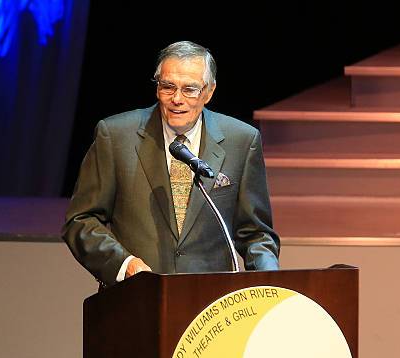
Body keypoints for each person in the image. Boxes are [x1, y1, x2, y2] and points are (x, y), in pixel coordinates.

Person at [62, 41, 280, 286]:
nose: (177, 99)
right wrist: (124, 264)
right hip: (136, 297)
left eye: (189, 89)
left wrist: (271, 283)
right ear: (157, 88)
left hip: (211, 303)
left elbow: (256, 234)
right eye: (168, 87)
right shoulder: (115, 136)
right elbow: (81, 221)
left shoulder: (241, 140)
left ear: (209, 92)